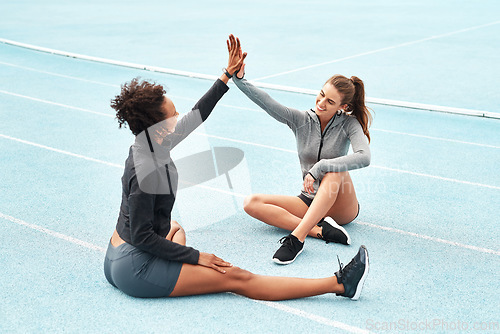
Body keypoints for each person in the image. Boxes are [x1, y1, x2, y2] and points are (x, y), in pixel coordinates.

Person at [103, 35, 370, 300]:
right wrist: (198, 257)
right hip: (136, 269)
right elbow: (142, 237)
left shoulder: (149, 142)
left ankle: (179, 272)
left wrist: (227, 75)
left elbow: (197, 114)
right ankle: (340, 284)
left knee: (173, 228)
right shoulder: (148, 170)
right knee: (238, 277)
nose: (178, 117)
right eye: (173, 115)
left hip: (116, 256)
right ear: (159, 126)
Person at [231, 43, 372, 265]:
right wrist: (239, 79)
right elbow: (267, 103)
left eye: (330, 101)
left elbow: (364, 157)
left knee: (333, 170)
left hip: (341, 204)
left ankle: (297, 238)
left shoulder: (349, 124)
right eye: (322, 94)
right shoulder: (301, 120)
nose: (321, 103)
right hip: (310, 199)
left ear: (342, 107)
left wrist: (319, 168)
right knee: (251, 203)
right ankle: (321, 231)